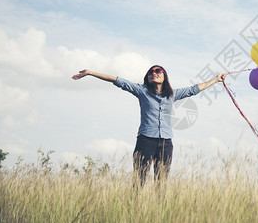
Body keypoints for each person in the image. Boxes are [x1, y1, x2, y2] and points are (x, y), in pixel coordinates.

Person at [72, 65, 227, 183]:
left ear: (164, 76)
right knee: (139, 180)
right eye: (151, 72)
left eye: (158, 71)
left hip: (166, 142)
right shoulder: (142, 91)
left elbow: (194, 89)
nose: (154, 73)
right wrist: (91, 73)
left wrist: (216, 79)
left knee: (161, 181)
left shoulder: (172, 94)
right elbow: (117, 80)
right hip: (146, 140)